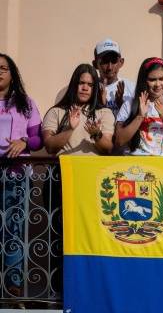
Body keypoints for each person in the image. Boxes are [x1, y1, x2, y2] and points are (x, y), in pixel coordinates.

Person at [0, 53, 43, 299]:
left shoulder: (25, 103)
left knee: (13, 229)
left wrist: (23, 141)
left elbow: (38, 139)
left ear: (12, 73)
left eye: (4, 68)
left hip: (15, 176)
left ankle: (13, 286)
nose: (0, 71)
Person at [115, 57, 163, 156]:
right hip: (138, 167)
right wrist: (140, 116)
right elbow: (119, 140)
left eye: (162, 79)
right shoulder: (129, 105)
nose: (158, 84)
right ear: (144, 80)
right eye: (152, 79)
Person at [42, 64, 114, 155]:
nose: (85, 88)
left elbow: (108, 149)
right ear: (74, 85)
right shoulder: (55, 111)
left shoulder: (104, 113)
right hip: (64, 168)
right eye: (81, 83)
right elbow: (49, 147)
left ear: (95, 88)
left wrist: (96, 135)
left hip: (94, 168)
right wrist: (69, 129)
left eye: (90, 85)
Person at [92, 38, 135, 118]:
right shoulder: (89, 88)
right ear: (95, 64)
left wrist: (121, 105)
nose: (110, 67)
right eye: (104, 61)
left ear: (121, 62)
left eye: (114, 61)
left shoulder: (132, 88)